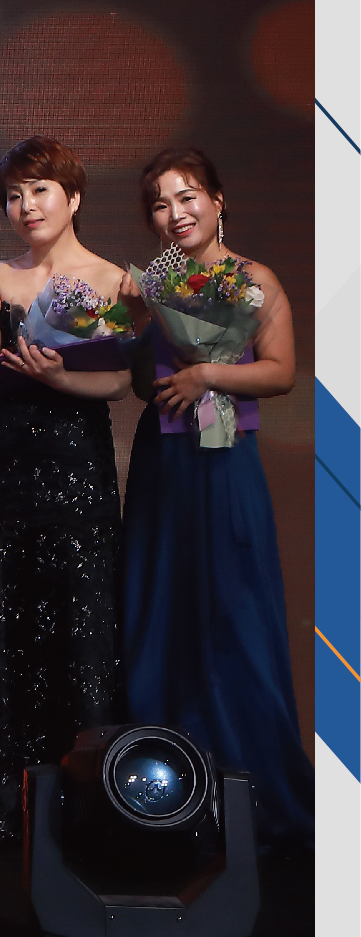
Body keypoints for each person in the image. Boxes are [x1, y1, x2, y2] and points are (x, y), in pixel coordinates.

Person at [118, 147, 311, 845]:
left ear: (218, 200)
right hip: (165, 461)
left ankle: (252, 788)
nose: (176, 213)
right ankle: (164, 792)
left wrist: (208, 373)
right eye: (160, 204)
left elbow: (281, 372)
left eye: (188, 196)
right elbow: (143, 383)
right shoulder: (154, 283)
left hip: (225, 461)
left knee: (233, 612)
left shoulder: (255, 279)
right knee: (161, 610)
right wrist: (136, 321)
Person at [0, 136, 129, 846]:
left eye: (39, 190)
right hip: (9, 456)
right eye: (14, 195)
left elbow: (119, 381)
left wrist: (60, 377)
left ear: (73, 196)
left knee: (83, 618)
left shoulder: (112, 279)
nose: (26, 206)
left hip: (76, 456)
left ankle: (88, 801)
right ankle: (8, 799)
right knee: (9, 614)